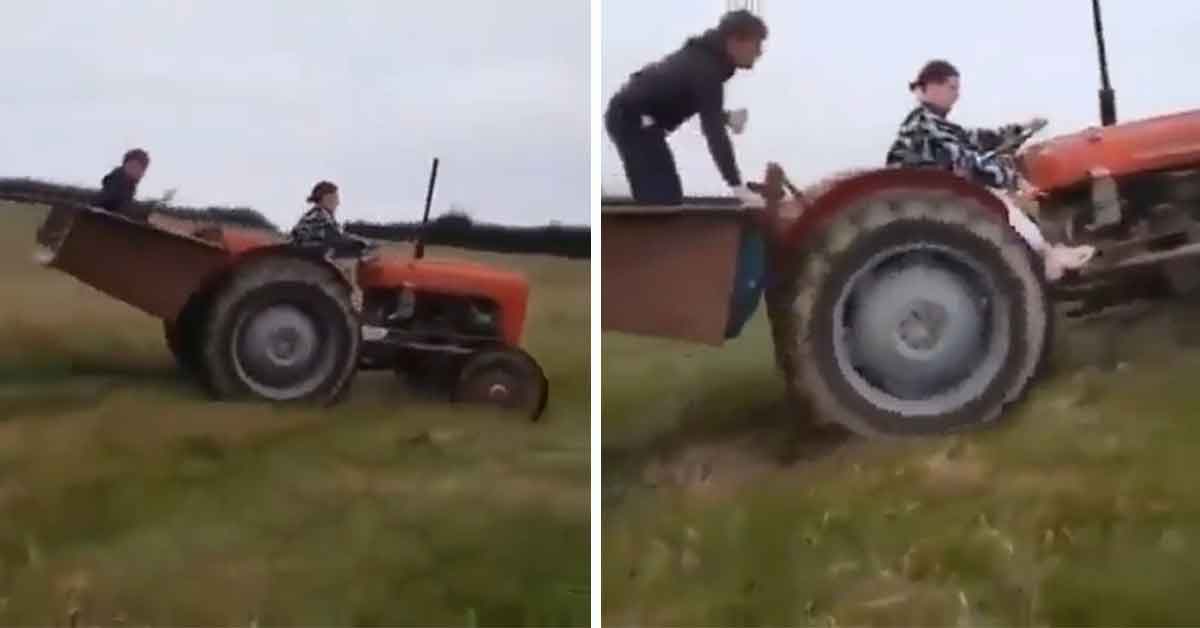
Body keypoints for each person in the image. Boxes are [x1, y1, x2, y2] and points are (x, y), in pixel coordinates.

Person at [886, 59, 1095, 281]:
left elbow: (976, 139)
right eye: (952, 88)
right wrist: (1014, 178)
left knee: (1001, 199)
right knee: (1000, 203)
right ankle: (1046, 260)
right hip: (925, 200)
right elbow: (968, 162)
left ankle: (1046, 255)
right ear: (932, 87)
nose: (957, 95)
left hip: (928, 196)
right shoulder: (923, 126)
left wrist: (1019, 130)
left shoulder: (934, 124)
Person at [605, 9, 767, 206]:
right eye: (756, 44)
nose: (759, 52)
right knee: (662, 199)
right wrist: (738, 188)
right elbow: (714, 133)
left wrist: (724, 117)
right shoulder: (707, 69)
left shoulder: (709, 61)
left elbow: (687, 97)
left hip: (639, 118)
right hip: (630, 117)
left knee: (665, 196)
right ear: (734, 42)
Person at [95, 148, 152, 221]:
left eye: (142, 170)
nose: (140, 173)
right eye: (135, 167)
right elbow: (107, 206)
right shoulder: (116, 182)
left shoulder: (129, 187)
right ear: (126, 165)